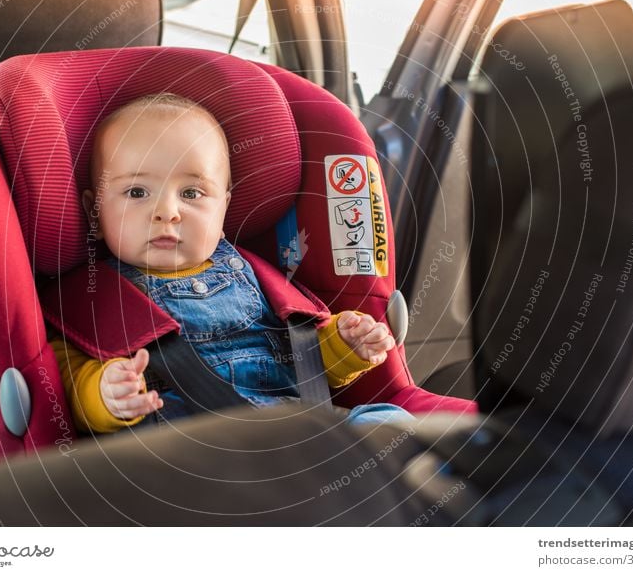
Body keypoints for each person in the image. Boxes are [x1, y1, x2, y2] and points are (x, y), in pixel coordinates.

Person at [51, 93, 414, 433]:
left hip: (295, 431)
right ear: (94, 212)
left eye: (192, 193)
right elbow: (65, 378)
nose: (167, 213)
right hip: (190, 451)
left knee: (392, 423)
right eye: (136, 192)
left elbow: (306, 364)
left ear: (223, 208)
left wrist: (345, 345)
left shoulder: (260, 278)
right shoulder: (89, 299)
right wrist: (104, 394)